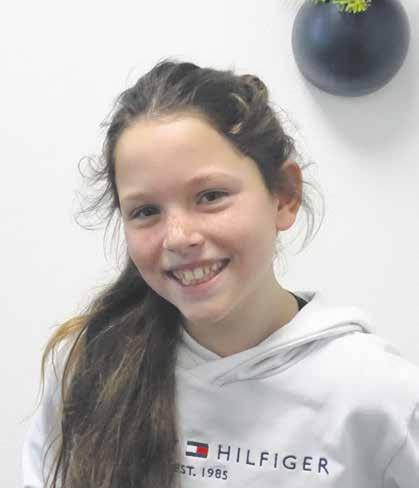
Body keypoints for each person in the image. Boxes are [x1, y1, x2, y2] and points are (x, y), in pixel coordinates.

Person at [21, 59, 419, 488]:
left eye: (210, 196)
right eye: (146, 211)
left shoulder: (380, 395)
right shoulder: (89, 365)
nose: (178, 238)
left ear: (284, 195)